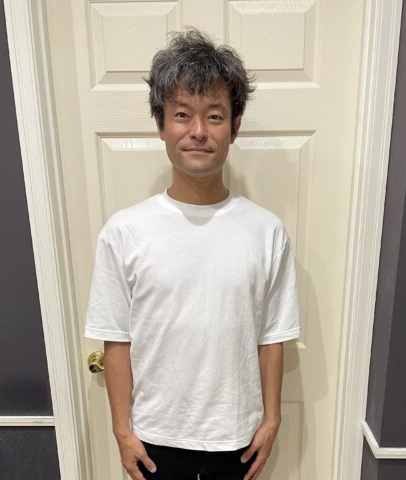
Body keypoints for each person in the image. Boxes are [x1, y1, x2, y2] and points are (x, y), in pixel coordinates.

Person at [85, 27, 301, 480]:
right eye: (182, 114)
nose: (198, 132)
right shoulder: (124, 231)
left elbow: (272, 336)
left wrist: (272, 419)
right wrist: (122, 430)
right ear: (160, 124)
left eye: (214, 116)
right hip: (155, 437)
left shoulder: (267, 231)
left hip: (238, 436)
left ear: (234, 127)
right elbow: (116, 338)